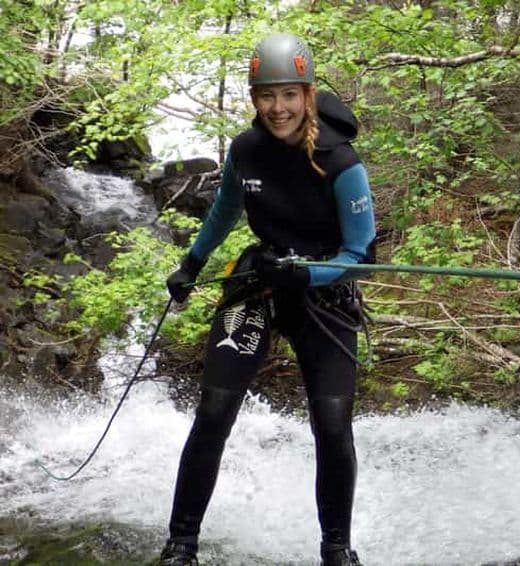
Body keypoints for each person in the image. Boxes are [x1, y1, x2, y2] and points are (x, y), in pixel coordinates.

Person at [158, 32, 375, 566]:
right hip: (260, 281)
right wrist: (191, 263)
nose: (277, 108)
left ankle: (336, 549)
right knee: (213, 409)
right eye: (265, 96)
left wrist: (310, 276)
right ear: (254, 98)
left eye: (288, 95)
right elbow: (225, 210)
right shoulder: (245, 150)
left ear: (306, 93)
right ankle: (181, 544)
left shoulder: (341, 163)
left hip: (324, 291)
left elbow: (361, 253)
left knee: (330, 421)